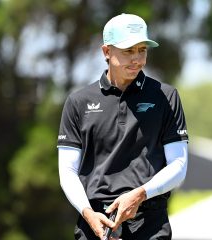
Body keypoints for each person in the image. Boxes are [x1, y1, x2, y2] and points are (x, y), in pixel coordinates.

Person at [58, 13, 188, 240]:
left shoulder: (166, 97)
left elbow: (179, 164)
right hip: (95, 222)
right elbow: (67, 171)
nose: (137, 59)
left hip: (150, 224)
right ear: (106, 52)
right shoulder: (78, 102)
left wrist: (140, 195)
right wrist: (88, 213)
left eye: (142, 50)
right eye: (128, 51)